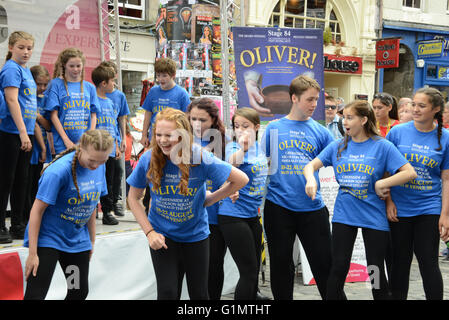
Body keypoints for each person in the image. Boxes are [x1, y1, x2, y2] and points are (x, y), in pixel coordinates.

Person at [127, 107, 248, 300]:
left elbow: (241, 179)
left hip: (195, 237)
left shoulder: (199, 156)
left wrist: (210, 199)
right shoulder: (148, 158)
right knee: (167, 293)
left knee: (199, 294)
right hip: (163, 237)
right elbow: (133, 198)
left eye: (169, 135)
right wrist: (150, 233)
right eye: (158, 134)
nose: (163, 140)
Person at [303, 100, 417, 300]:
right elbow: (310, 166)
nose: (344, 122)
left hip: (374, 215)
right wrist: (311, 179)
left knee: (375, 268)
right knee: (338, 266)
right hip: (344, 214)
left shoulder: (382, 146)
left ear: (364, 120)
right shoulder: (337, 146)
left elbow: (409, 172)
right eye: (343, 117)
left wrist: (383, 184)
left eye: (349, 117)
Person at [261, 74, 333, 300]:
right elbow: (262, 164)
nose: (314, 105)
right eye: (309, 100)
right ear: (294, 98)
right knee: (281, 268)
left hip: (312, 207)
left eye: (316, 100)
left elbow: (339, 160)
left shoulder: (322, 132)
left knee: (325, 266)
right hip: (278, 207)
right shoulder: (273, 129)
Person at [23, 129, 113, 300]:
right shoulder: (58, 172)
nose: (95, 166)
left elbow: (91, 205)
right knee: (36, 294)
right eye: (92, 160)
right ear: (81, 149)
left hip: (76, 240)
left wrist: (91, 241)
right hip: (49, 238)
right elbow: (36, 210)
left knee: (78, 291)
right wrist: (33, 254)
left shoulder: (99, 167)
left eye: (102, 161)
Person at [386, 87, 449, 300]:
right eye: (413, 104)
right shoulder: (397, 132)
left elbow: (447, 179)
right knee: (399, 261)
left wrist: (445, 214)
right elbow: (386, 171)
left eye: (422, 106)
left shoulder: (446, 138)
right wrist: (388, 201)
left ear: (436, 109)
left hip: (428, 207)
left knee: (428, 261)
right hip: (399, 207)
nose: (415, 109)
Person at [218, 107, 268, 299]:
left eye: (245, 126)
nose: (241, 130)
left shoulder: (260, 148)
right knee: (247, 271)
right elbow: (229, 165)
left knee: (255, 268)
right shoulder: (234, 148)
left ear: (256, 127)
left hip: (253, 215)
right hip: (233, 215)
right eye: (237, 126)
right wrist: (242, 148)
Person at [187, 97, 227, 300]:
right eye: (192, 118)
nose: (196, 124)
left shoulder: (223, 141)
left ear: (213, 120)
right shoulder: (181, 140)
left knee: (214, 266)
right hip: (191, 214)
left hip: (219, 214)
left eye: (201, 120)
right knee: (196, 272)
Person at [0, 31, 37, 243]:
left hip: (26, 133)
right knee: (6, 179)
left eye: (29, 48)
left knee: (21, 180)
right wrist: (23, 132)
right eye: (21, 47)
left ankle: (17, 224)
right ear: (11, 48)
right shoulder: (11, 69)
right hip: (11, 133)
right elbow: (12, 101)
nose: (25, 52)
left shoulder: (25, 70)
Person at [45, 47, 99, 154]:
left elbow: (93, 115)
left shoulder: (90, 87)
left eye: (78, 66)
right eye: (71, 66)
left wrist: (89, 138)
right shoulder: (55, 84)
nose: (75, 69)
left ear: (83, 66)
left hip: (84, 144)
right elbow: (53, 115)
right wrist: (66, 140)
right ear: (64, 65)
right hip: (62, 143)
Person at [100, 60, 130, 217]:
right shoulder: (97, 93)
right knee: (103, 173)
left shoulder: (119, 95)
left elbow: (121, 118)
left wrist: (123, 138)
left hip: (115, 139)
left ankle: (115, 201)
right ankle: (103, 205)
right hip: (100, 141)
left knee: (117, 171)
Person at [23, 65, 52, 225]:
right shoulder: (26, 98)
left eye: (44, 84)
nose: (41, 88)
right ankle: (24, 215)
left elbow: (48, 126)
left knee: (36, 183)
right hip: (30, 145)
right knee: (24, 183)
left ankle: (33, 216)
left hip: (42, 147)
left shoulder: (45, 100)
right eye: (38, 84)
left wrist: (37, 115)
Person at [92, 64, 121, 225]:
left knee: (108, 181)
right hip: (97, 149)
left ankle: (107, 211)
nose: (114, 85)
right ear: (103, 83)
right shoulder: (93, 100)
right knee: (96, 179)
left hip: (110, 149)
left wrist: (116, 144)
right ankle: (91, 209)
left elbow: (114, 126)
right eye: (112, 82)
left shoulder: (110, 102)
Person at [140, 58, 190, 149]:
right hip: (154, 139)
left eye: (164, 76)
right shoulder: (153, 91)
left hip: (174, 140)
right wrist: (143, 135)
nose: (160, 79)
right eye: (158, 75)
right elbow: (148, 114)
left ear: (173, 75)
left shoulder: (182, 94)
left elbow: (186, 119)